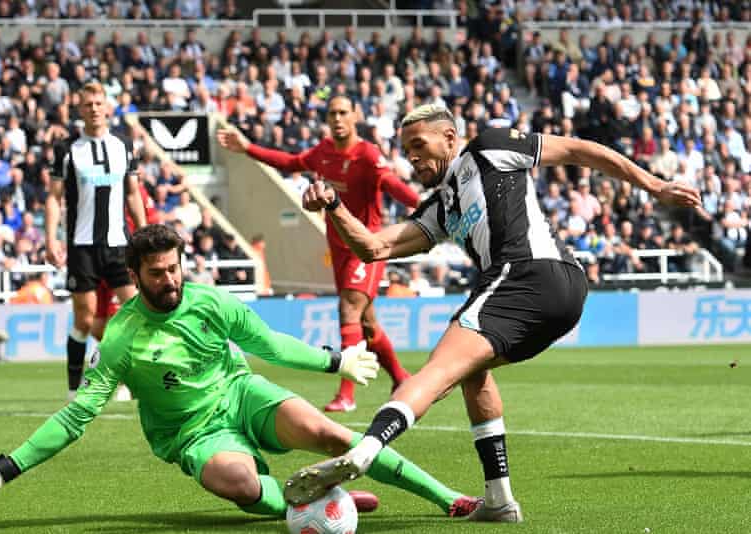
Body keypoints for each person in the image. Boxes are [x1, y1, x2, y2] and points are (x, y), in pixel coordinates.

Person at [284, 104, 702, 522]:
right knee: (470, 372)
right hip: (559, 291)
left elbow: (577, 150)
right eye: (404, 149)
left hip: (528, 275)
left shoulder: (490, 148)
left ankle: (364, 451)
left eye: (418, 145)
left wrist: (653, 184)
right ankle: (499, 499)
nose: (410, 157)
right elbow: (374, 247)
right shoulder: (441, 206)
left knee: (437, 370)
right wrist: (335, 206)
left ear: (449, 137)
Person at [0, 224, 481, 519]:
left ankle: (448, 499)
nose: (170, 281)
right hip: (189, 432)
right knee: (242, 481)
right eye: (157, 274)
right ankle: (309, 501)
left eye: (175, 268)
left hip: (241, 392)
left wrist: (334, 360)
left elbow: (266, 343)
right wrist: (5, 468)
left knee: (333, 435)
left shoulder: (208, 300)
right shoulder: (122, 336)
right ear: (134, 276)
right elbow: (79, 414)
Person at [217, 95, 418, 412]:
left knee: (348, 310)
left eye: (343, 112)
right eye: (331, 113)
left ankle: (346, 394)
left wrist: (424, 207)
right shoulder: (323, 152)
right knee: (366, 324)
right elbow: (290, 162)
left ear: (355, 115)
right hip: (338, 249)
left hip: (365, 248)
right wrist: (247, 148)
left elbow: (393, 185)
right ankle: (400, 377)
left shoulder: (367, 154)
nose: (337, 118)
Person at [45, 82, 147, 401]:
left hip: (119, 244)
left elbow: (133, 192)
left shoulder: (123, 145)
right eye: (87, 104)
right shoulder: (67, 150)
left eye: (98, 103)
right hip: (82, 244)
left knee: (136, 313)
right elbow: (54, 197)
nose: (94, 109)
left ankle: (127, 381)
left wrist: (143, 234)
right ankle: (75, 387)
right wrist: (51, 238)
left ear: (107, 107)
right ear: (80, 110)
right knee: (85, 318)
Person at [90, 179, 160, 401]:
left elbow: (151, 222)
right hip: (95, 256)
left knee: (121, 321)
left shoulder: (135, 190)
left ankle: (128, 382)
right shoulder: (97, 182)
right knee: (97, 326)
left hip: (121, 260)